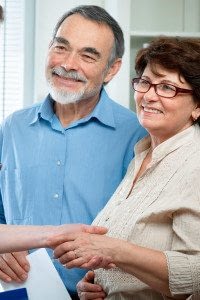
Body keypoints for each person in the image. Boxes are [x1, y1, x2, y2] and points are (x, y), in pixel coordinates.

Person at [0, 4, 146, 298]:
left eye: (88, 55)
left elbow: (144, 234)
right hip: (18, 291)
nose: (68, 64)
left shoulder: (138, 135)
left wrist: (110, 279)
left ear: (112, 69)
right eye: (61, 47)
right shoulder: (13, 126)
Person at [53, 37, 200, 299]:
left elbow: (195, 273)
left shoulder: (195, 164)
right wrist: (98, 283)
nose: (149, 95)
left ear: (197, 106)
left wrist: (111, 250)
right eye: (145, 82)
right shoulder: (141, 154)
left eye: (167, 87)